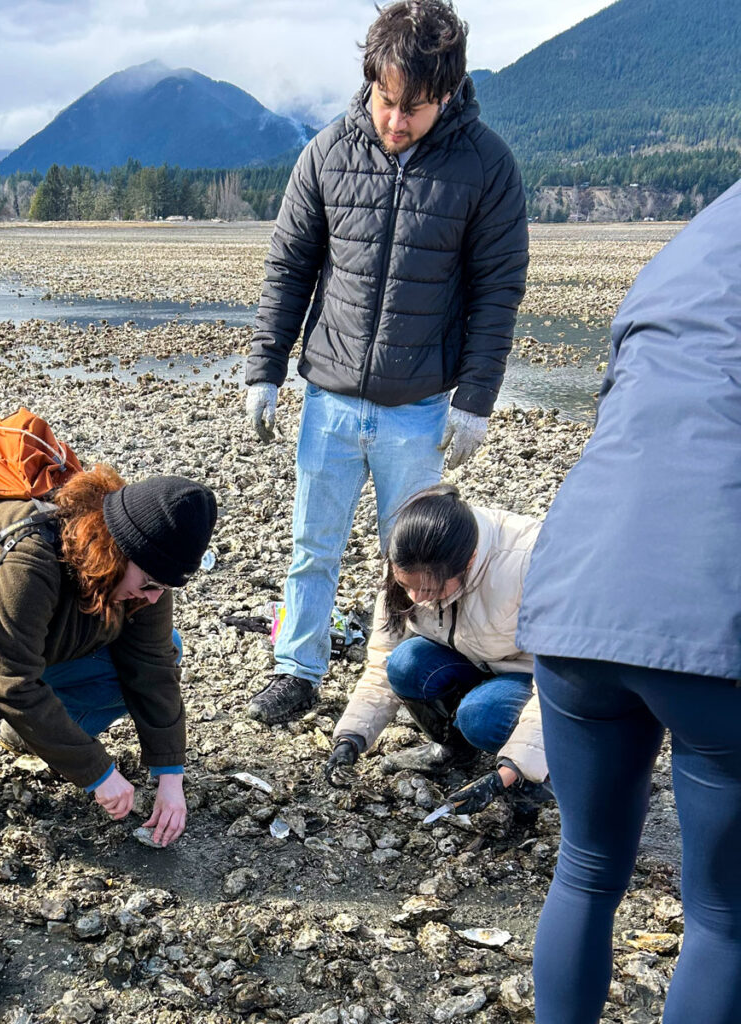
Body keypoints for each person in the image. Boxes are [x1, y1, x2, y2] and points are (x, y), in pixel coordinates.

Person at [244, 0, 528, 726]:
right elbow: (289, 268)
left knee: (409, 561)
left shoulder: (487, 166)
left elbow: (498, 292)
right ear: (369, 79)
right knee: (312, 545)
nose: (395, 121)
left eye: (415, 107)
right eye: (385, 99)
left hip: (422, 406)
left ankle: (388, 684)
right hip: (330, 397)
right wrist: (264, 370)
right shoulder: (329, 150)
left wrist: (476, 399)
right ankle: (296, 667)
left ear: (449, 93)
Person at [516, 182, 741, 1024]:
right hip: (712, 614)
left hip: (580, 590)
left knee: (586, 864)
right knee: (723, 919)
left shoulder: (688, 248)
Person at [0, 468, 217, 848]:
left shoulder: (150, 570)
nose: (153, 598)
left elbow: (153, 666)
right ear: (115, 551)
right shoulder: (27, 562)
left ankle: (36, 734)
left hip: (38, 641)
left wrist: (170, 774)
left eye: (164, 588)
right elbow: (11, 682)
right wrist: (97, 771)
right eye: (148, 586)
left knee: (165, 647)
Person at [325, 485, 549, 811]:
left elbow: (563, 683)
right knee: (405, 664)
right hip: (473, 658)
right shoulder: (411, 557)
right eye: (406, 586)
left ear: (469, 561)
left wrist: (510, 772)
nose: (416, 598)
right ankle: (455, 751)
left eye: (429, 588)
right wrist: (351, 738)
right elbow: (382, 660)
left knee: (481, 715)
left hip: (533, 676)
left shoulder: (529, 563)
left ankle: (540, 779)